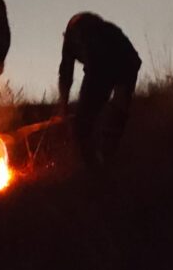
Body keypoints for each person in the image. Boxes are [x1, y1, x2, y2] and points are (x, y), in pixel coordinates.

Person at [58, 12, 141, 171]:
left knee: (83, 125)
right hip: (128, 59)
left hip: (107, 62)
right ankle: (107, 161)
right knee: (117, 111)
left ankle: (94, 170)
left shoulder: (72, 38)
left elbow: (66, 73)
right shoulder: (106, 29)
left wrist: (63, 105)